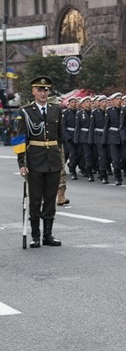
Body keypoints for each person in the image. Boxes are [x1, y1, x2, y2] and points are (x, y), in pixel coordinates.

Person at [17, 76, 63, 248]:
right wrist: (22, 163)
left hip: (52, 159)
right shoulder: (25, 111)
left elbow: (60, 136)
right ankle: (35, 235)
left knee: (50, 198)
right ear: (33, 91)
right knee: (35, 199)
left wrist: (60, 156)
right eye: (39, 89)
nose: (43, 93)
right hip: (34, 160)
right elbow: (19, 139)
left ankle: (48, 235)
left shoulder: (56, 109)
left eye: (46, 90)